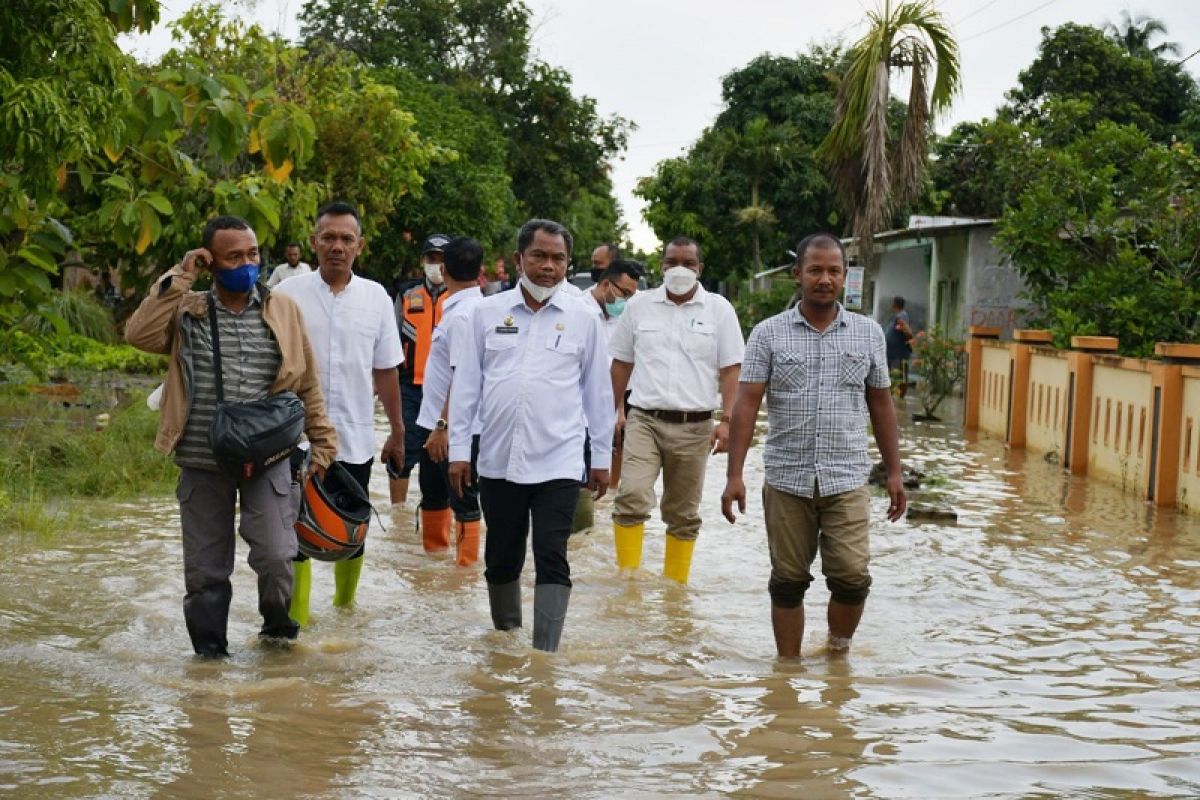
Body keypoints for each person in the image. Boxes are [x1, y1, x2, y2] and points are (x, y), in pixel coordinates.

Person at [125, 215, 338, 657]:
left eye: (253, 253)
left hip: (271, 456)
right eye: (234, 257)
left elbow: (307, 383)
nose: (247, 263)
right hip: (203, 458)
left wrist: (322, 443)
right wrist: (183, 276)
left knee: (278, 553)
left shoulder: (283, 310)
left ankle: (277, 637)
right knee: (204, 570)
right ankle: (209, 661)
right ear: (212, 263)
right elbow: (138, 334)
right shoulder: (189, 309)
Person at [720, 233, 906, 659]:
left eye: (833, 271)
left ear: (844, 276)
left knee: (853, 577)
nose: (825, 279)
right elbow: (746, 404)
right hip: (787, 479)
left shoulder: (867, 334)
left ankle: (837, 655)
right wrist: (735, 475)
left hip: (847, 478)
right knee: (787, 580)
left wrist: (894, 471)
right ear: (797, 275)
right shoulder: (768, 334)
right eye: (815, 270)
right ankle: (787, 671)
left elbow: (881, 404)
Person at [447, 219, 614, 652]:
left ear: (567, 264)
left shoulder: (584, 318)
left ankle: (545, 657)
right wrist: (459, 452)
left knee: (551, 553)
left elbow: (597, 393)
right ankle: (506, 644)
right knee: (502, 554)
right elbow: (467, 388)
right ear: (519, 259)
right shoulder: (486, 313)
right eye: (539, 256)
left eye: (558, 258)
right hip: (498, 459)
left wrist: (601, 459)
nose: (548, 267)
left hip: (559, 459)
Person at [273, 201, 405, 625]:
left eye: (346, 239)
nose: (336, 246)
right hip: (293, 437)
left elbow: (386, 370)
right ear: (314, 242)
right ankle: (298, 621)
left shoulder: (376, 298)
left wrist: (398, 432)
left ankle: (346, 611)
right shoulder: (285, 296)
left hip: (355, 435)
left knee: (352, 527)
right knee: (294, 529)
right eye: (328, 237)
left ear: (359, 246)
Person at [608, 236, 744, 584]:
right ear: (661, 265)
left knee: (683, 515)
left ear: (700, 269)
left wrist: (728, 421)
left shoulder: (719, 310)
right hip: (644, 420)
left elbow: (732, 371)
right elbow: (621, 364)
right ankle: (628, 585)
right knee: (631, 496)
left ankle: (675, 593)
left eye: (688, 263)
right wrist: (610, 414)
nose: (679, 269)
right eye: (672, 262)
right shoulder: (639, 307)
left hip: (696, 426)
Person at [417, 236, 486, 565]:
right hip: (437, 423)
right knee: (433, 494)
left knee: (463, 498)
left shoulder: (464, 315)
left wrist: (443, 426)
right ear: (481, 271)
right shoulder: (462, 308)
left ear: (443, 269)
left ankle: (465, 570)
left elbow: (462, 376)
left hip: (455, 428)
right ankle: (434, 566)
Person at [389, 234, 451, 505]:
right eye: (431, 258)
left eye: (441, 259)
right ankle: (398, 517)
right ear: (423, 261)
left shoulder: (461, 297)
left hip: (448, 391)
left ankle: (441, 518)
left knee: (444, 458)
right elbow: (389, 343)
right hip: (409, 387)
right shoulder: (406, 294)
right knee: (402, 454)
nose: (435, 264)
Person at [885, 296, 914, 396]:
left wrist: (909, 339)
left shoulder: (901, 316)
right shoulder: (899, 315)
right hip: (893, 351)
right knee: (896, 372)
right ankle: (894, 394)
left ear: (895, 304)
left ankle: (900, 394)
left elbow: (907, 331)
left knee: (901, 373)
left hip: (899, 351)